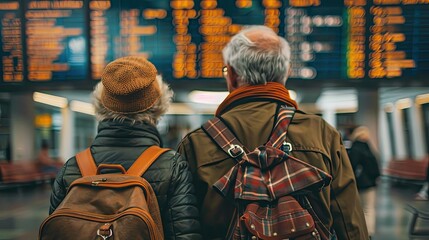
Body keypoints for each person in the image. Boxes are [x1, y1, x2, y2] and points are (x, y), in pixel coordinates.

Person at [178, 25, 368, 239]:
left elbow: (184, 228)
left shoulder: (196, 143)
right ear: (286, 73)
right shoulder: (322, 133)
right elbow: (348, 218)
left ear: (231, 75)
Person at [49, 56, 201, 239]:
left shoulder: (72, 168)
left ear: (100, 104)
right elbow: (184, 235)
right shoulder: (173, 166)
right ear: (159, 105)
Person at [348, 126, 381, 237]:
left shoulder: (354, 148)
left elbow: (351, 166)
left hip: (357, 183)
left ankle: (360, 232)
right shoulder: (368, 148)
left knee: (358, 209)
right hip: (370, 183)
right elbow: (375, 168)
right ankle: (369, 233)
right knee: (369, 209)